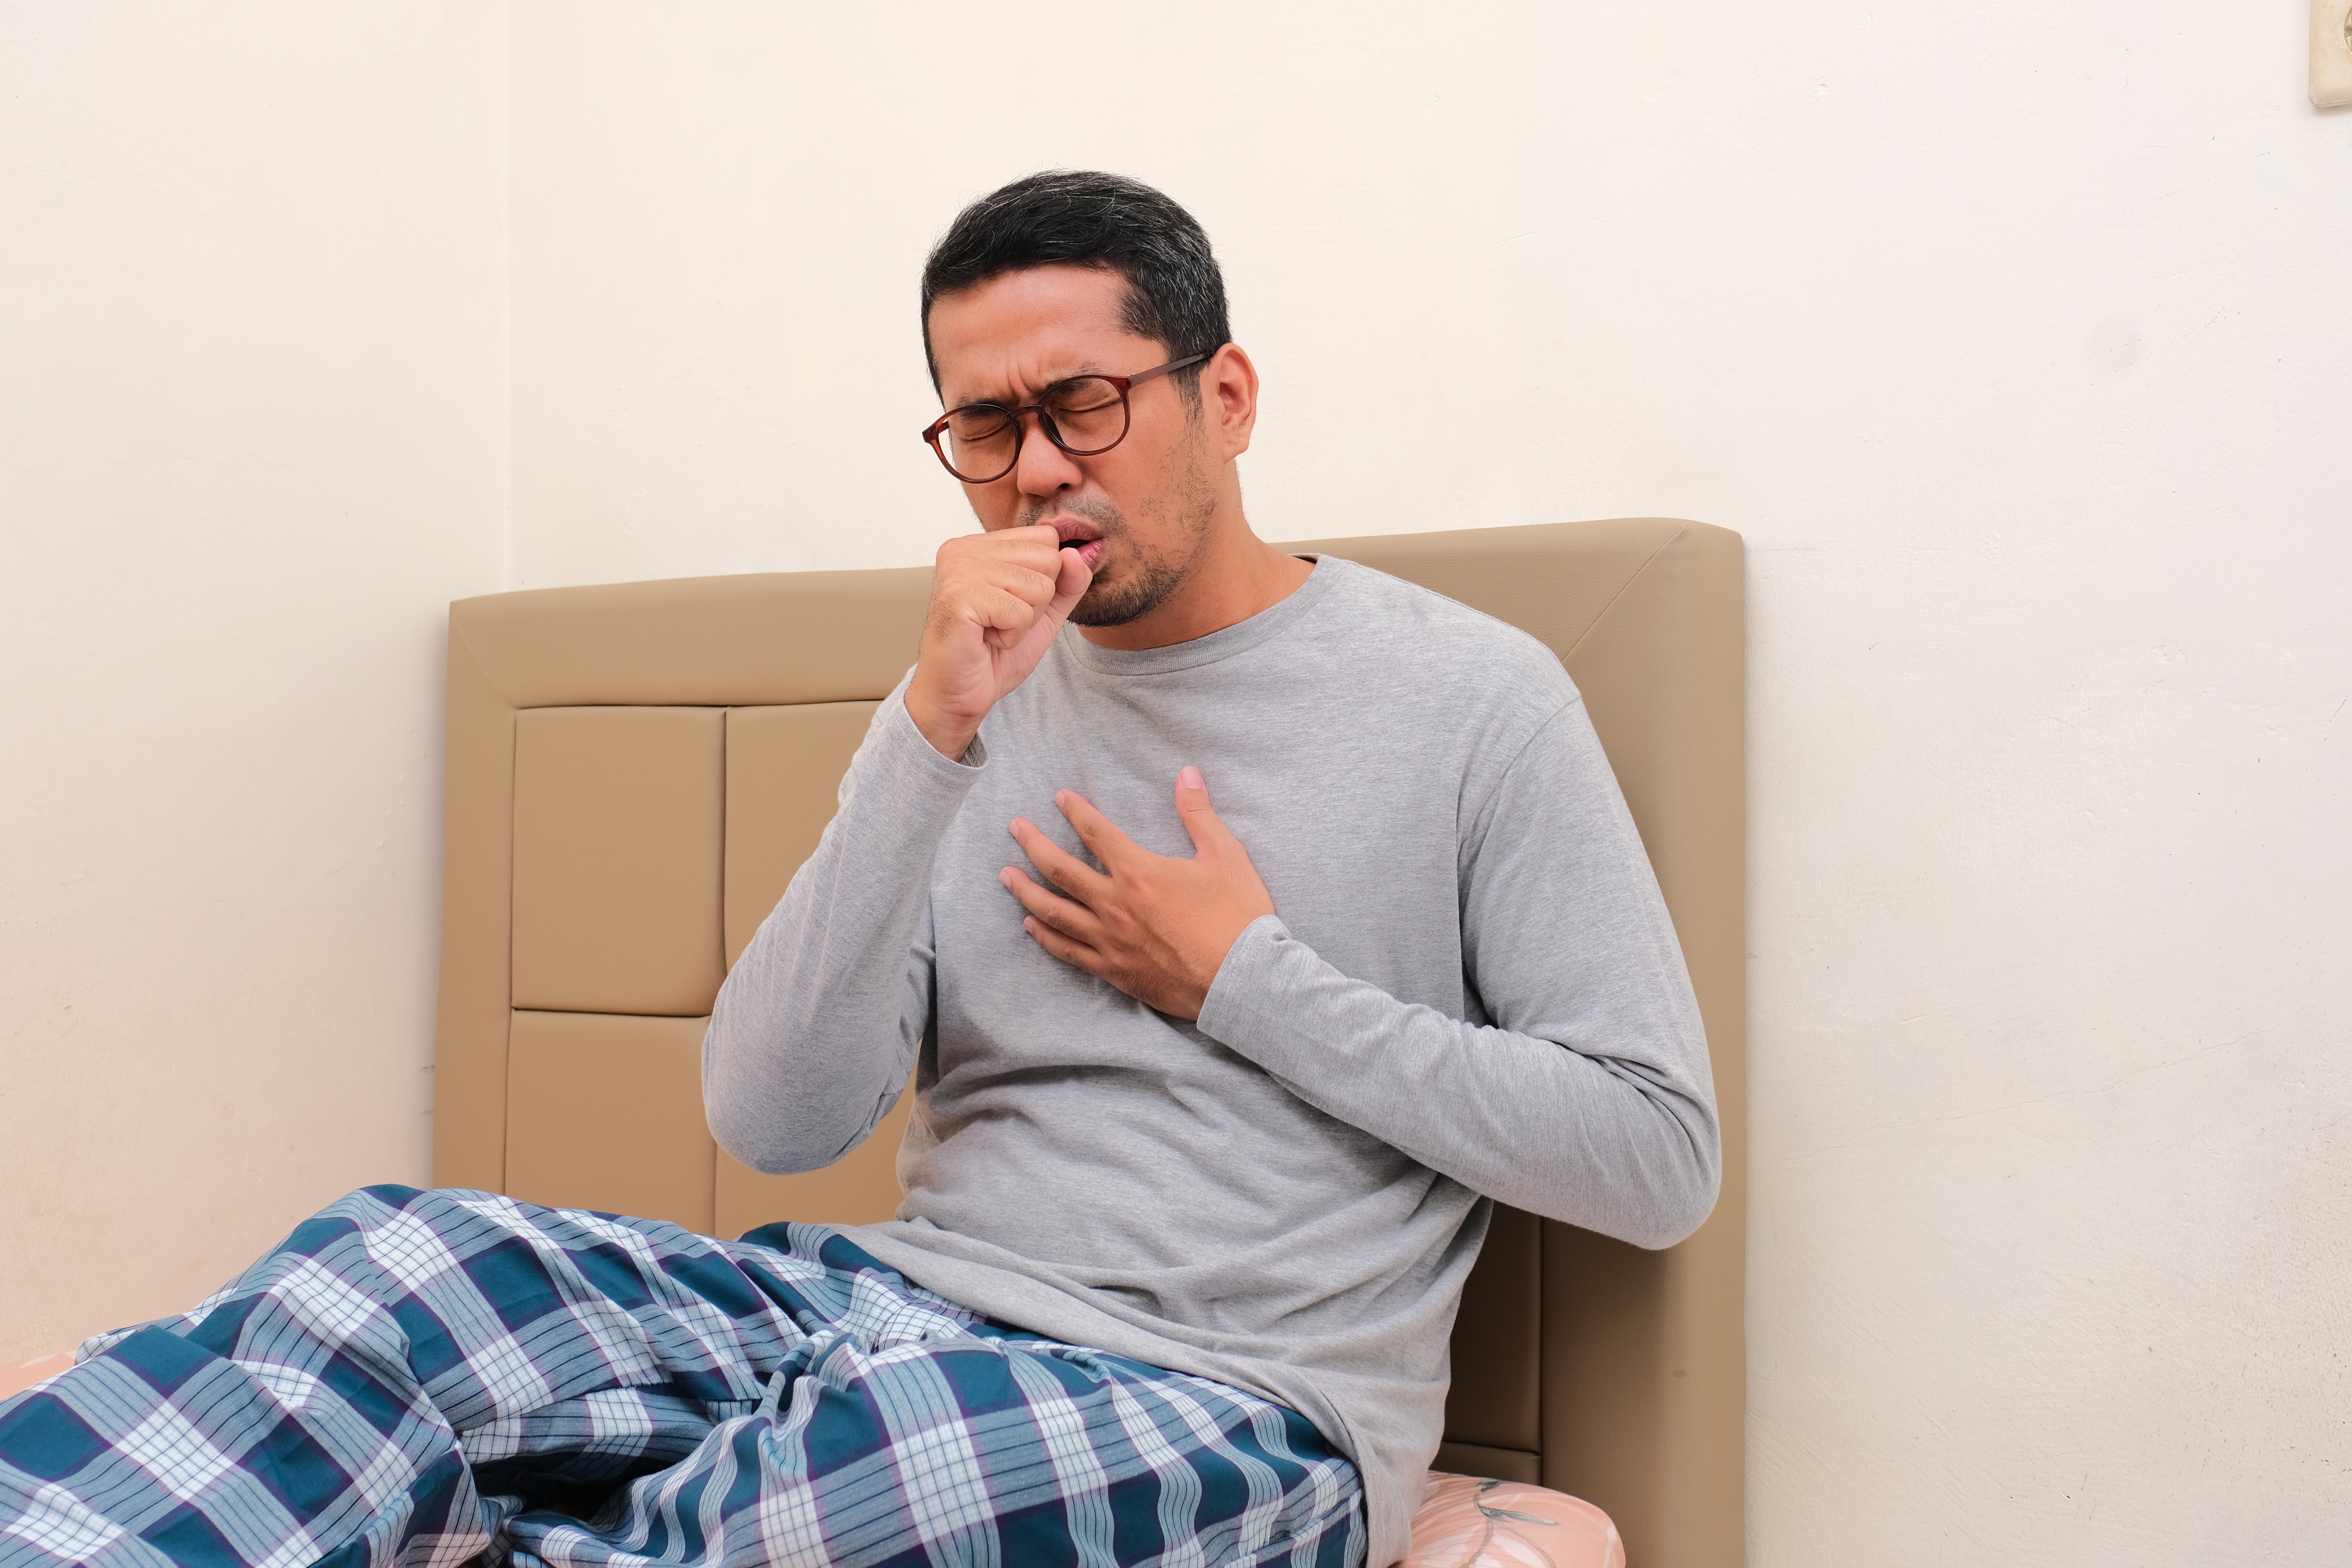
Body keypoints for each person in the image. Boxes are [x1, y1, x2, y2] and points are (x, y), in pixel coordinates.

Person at [0, 172, 1718, 1568]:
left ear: (1229, 394)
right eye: (987, 424)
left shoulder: (1474, 700)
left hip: (1226, 1396)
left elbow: (1656, 1153)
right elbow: (772, 1116)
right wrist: (929, 730)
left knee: (860, 1489)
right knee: (393, 1264)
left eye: (1087, 405)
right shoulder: (972, 690)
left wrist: (1243, 976)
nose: (1040, 467)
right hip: (876, 1299)